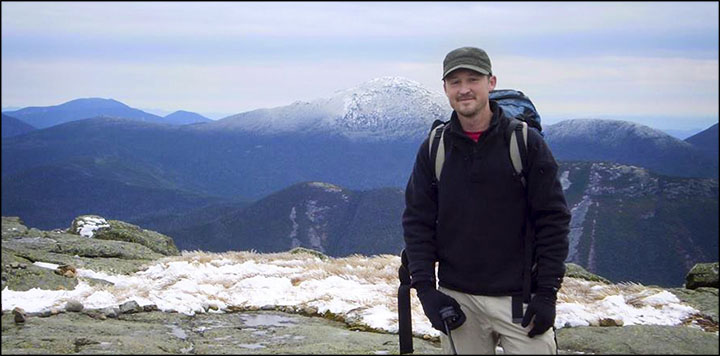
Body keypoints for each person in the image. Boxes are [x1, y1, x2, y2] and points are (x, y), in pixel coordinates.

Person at [402, 46, 571, 354]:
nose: (464, 89)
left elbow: (553, 220)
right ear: (445, 88)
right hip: (458, 299)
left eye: (473, 79)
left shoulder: (524, 142)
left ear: (490, 83)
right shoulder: (434, 148)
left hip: (519, 298)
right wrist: (426, 291)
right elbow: (418, 222)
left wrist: (547, 294)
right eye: (455, 82)